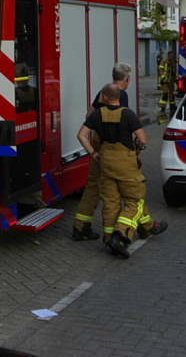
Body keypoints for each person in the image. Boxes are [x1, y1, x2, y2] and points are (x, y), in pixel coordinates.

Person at [72, 63, 165, 242]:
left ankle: (81, 226)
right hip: (119, 149)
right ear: (127, 79)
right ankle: (144, 226)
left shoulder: (103, 93)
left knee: (93, 187)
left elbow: (89, 115)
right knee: (133, 189)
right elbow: (125, 123)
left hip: (100, 144)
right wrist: (134, 147)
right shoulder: (121, 95)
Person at [77, 84, 152, 258]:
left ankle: (109, 239)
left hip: (105, 161)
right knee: (135, 200)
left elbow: (81, 135)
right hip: (125, 162)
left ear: (104, 97)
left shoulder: (97, 114)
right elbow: (142, 139)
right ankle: (121, 234)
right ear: (120, 97)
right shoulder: (128, 114)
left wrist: (93, 153)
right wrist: (138, 148)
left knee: (111, 203)